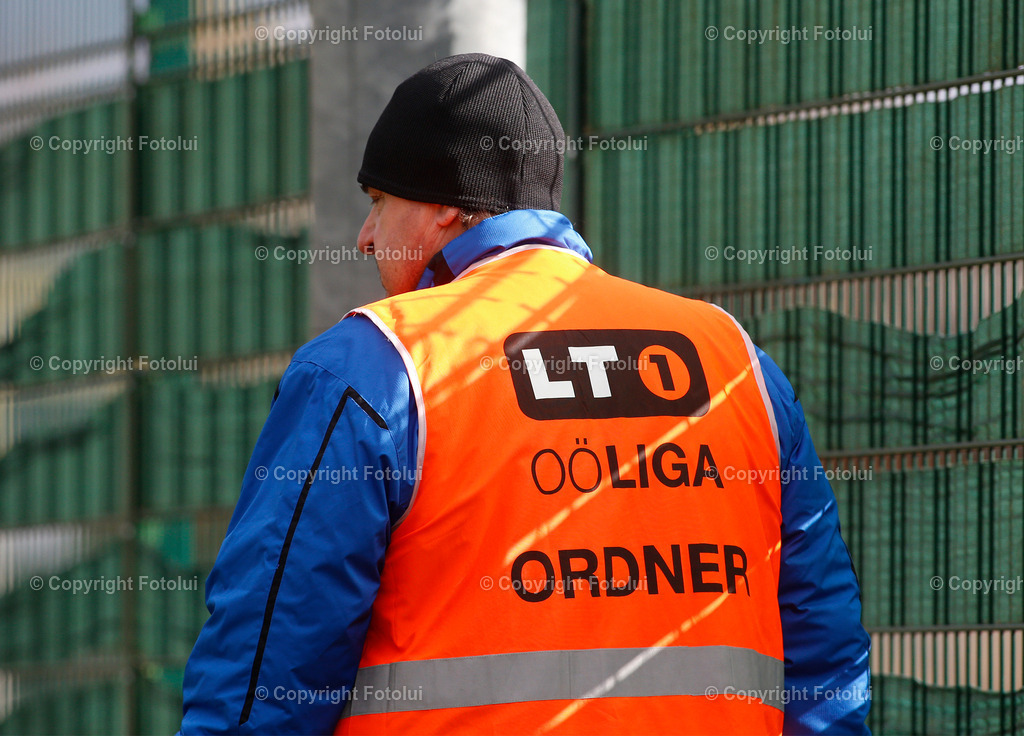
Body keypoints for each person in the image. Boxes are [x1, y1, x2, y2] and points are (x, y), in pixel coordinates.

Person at [179, 53, 870, 735]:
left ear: (445, 204)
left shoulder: (374, 366)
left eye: (379, 202)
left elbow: (269, 669)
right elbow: (824, 657)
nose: (363, 237)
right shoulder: (733, 359)